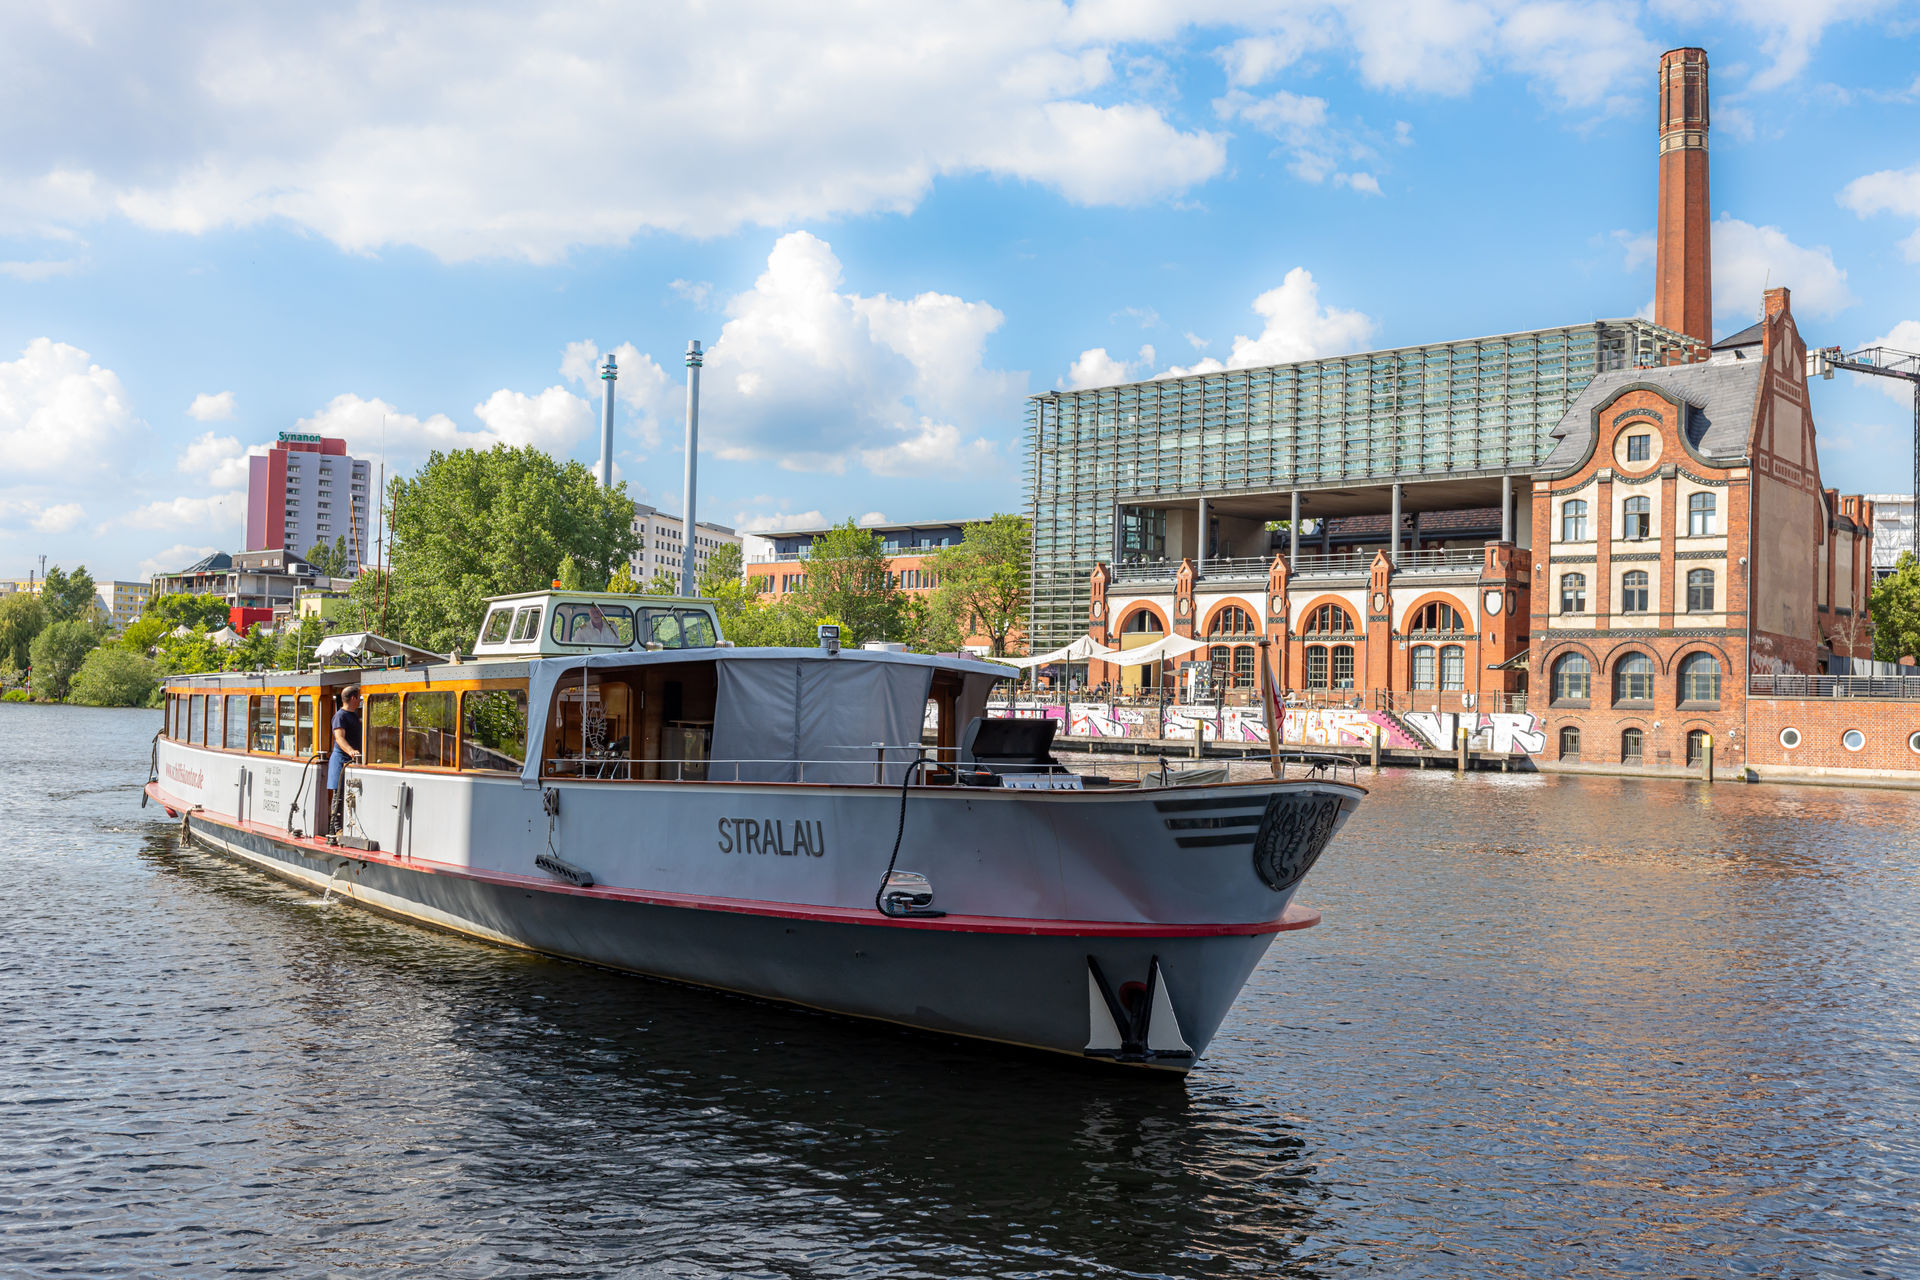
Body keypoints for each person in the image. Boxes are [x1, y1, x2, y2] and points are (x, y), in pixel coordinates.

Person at [328, 686, 363, 835]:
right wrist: (351, 751)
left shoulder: (355, 715)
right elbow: (339, 737)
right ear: (353, 698)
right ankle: (336, 829)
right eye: (359, 697)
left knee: (350, 794)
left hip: (352, 760)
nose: (360, 700)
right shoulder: (340, 716)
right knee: (339, 795)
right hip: (340, 759)